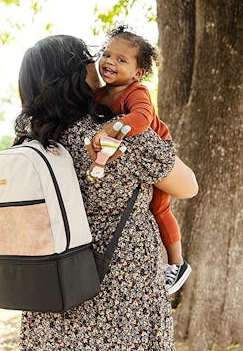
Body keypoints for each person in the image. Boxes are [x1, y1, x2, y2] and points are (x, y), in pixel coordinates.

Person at [14, 35, 198, 350]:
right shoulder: (115, 134)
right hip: (120, 286)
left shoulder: (31, 140)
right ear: (75, 73)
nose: (99, 63)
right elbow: (188, 186)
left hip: (52, 286)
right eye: (91, 56)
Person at [89, 25, 191, 294]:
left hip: (160, 150)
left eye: (121, 60)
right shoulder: (100, 93)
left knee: (159, 208)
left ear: (138, 73)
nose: (110, 62)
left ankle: (177, 263)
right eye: (107, 54)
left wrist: (112, 128)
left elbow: (142, 120)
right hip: (120, 155)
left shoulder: (137, 92)